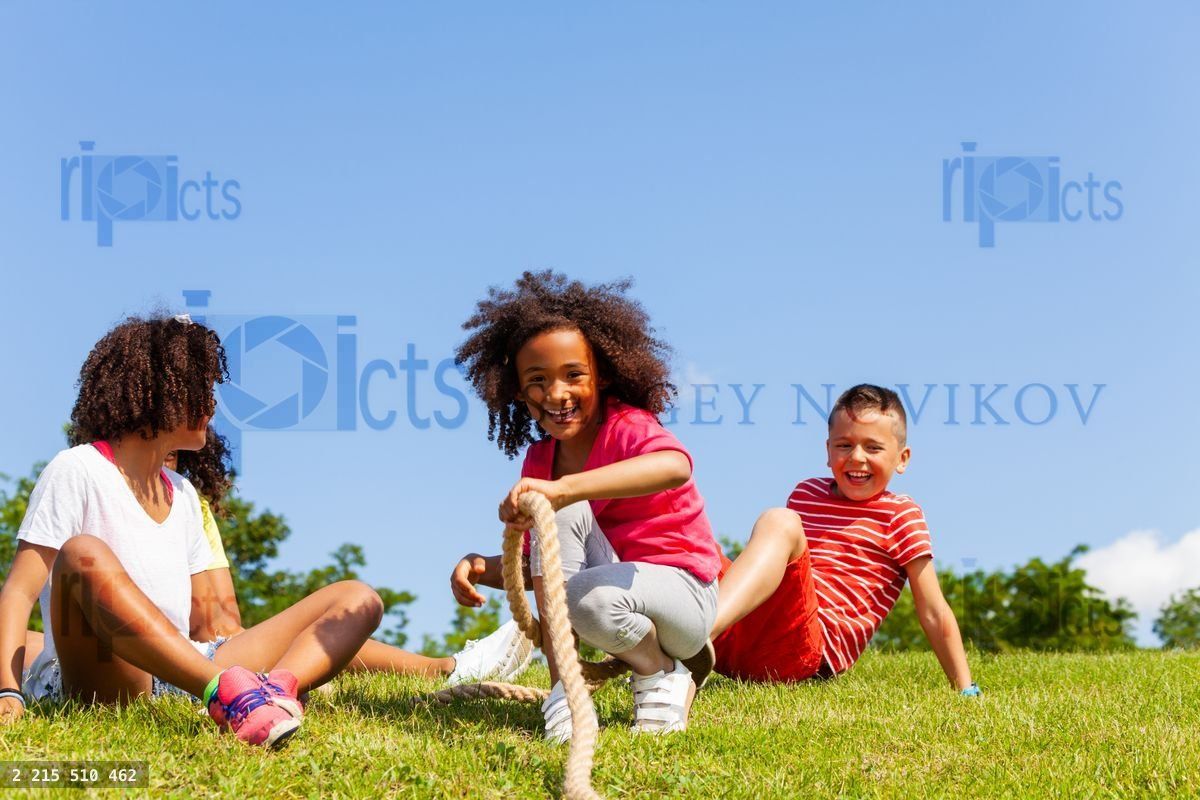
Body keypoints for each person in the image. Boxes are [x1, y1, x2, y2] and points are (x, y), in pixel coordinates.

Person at [1, 314, 376, 748]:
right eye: (201, 389)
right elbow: (17, 592)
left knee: (358, 599)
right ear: (158, 391)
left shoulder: (183, 494)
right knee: (83, 552)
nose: (212, 405)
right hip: (110, 669)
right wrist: (9, 690)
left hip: (186, 666)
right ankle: (229, 693)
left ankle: (273, 690)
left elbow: (212, 625)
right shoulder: (76, 468)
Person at [450, 271, 724, 742]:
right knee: (554, 518)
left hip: (685, 594)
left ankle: (662, 670)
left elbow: (674, 466)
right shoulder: (540, 460)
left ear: (604, 374)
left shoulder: (628, 426)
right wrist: (486, 566)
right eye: (537, 380)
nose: (556, 394)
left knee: (567, 543)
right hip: (608, 596)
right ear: (517, 390)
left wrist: (565, 489)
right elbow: (547, 560)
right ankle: (565, 691)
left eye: (574, 375)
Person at [166, 433, 532, 683]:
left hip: (202, 657)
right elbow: (216, 631)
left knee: (348, 608)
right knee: (338, 612)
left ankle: (445, 669)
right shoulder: (120, 492)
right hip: (172, 669)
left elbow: (221, 630)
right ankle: (446, 670)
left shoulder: (187, 500)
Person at [706, 384, 979, 694]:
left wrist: (964, 687)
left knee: (779, 521)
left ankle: (695, 635)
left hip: (803, 653)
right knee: (693, 544)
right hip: (742, 635)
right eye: (844, 445)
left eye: (873, 447)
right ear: (828, 451)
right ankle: (662, 644)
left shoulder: (900, 515)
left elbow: (933, 610)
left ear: (902, 458)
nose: (856, 457)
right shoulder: (806, 494)